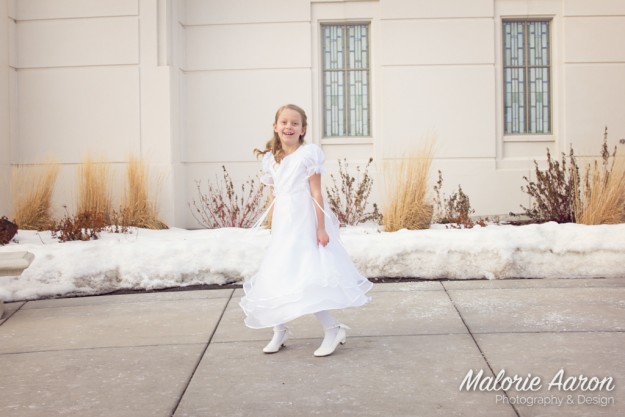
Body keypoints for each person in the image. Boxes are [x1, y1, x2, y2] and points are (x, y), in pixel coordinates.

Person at [239, 104, 373, 357]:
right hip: (284, 224)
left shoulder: (308, 154)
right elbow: (274, 194)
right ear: (275, 127)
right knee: (278, 272)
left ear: (303, 129)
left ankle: (332, 328)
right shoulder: (271, 159)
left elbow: (315, 193)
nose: (289, 127)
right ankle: (279, 329)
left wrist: (321, 228)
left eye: (295, 123)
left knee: (306, 275)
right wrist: (273, 223)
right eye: (284, 122)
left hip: (305, 220)